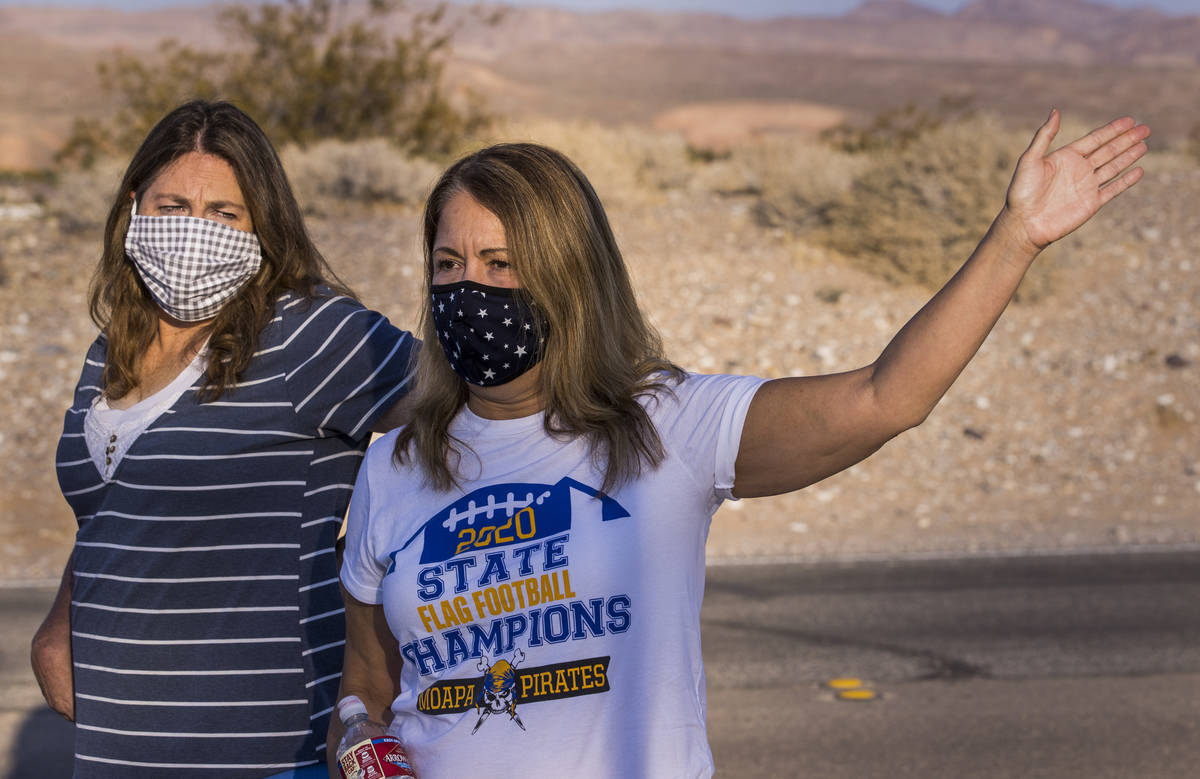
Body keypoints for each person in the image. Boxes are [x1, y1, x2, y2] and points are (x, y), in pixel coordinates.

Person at [330, 110, 1148, 777]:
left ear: (567, 277)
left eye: (502, 262)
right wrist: (356, 737)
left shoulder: (664, 428)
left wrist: (1017, 238)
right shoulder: (396, 465)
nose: (470, 287)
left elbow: (886, 396)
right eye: (449, 262)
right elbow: (368, 684)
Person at [31, 100, 418, 778]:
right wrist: (63, 618)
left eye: (223, 213)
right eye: (173, 205)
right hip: (114, 745)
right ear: (133, 208)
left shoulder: (306, 334)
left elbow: (468, 407)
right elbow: (110, 511)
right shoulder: (108, 352)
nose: (193, 231)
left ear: (262, 225)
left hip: (265, 748)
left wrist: (381, 587)